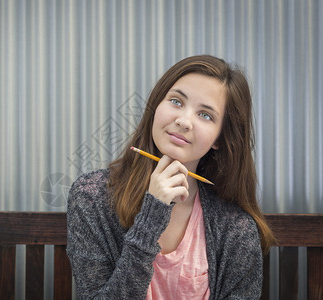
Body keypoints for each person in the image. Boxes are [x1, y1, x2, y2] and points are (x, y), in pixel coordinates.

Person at [66, 55, 275, 299]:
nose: (184, 121)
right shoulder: (91, 197)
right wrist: (152, 215)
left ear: (220, 138)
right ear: (156, 106)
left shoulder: (236, 229)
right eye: (176, 101)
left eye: (205, 115)